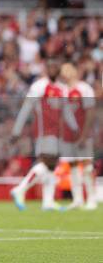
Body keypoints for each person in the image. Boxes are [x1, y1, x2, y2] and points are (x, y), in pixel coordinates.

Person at [9, 55, 77, 211]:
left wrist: (74, 129)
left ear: (59, 70)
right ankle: (20, 189)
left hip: (58, 133)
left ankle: (48, 202)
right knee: (46, 162)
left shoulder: (62, 89)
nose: (53, 70)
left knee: (52, 166)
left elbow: (67, 111)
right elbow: (26, 108)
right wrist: (16, 131)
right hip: (44, 131)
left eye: (56, 67)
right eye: (50, 67)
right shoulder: (39, 86)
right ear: (47, 70)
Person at [59, 63, 97, 210]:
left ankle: (92, 199)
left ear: (73, 72)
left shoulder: (84, 88)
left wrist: (84, 134)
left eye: (67, 70)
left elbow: (90, 111)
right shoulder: (62, 91)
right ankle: (78, 199)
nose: (64, 74)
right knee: (73, 166)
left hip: (82, 134)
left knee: (87, 166)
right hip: (67, 136)